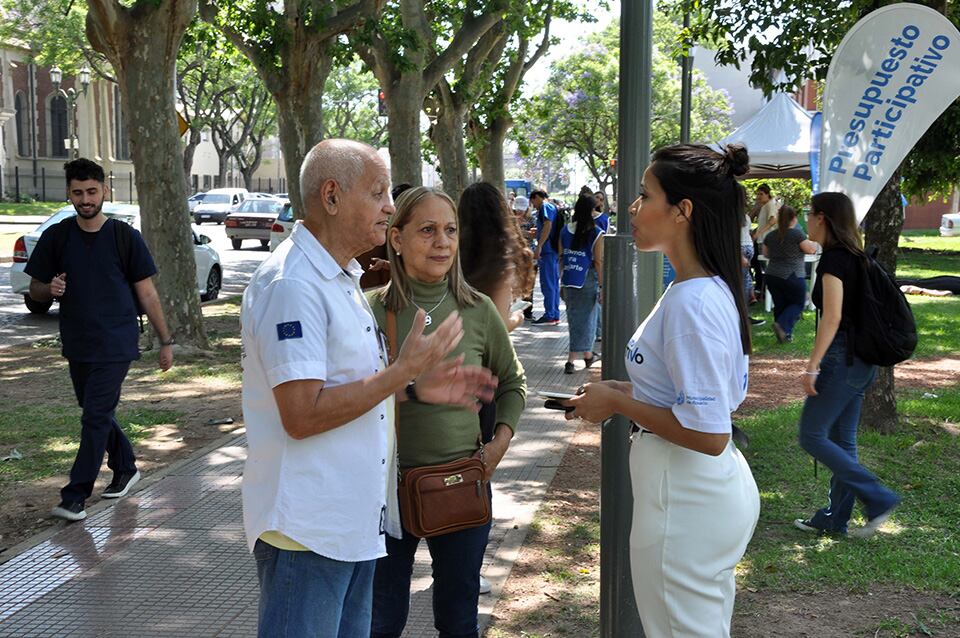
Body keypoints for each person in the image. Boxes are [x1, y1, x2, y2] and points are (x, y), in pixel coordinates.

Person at [240, 140, 496, 638]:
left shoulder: (339, 280)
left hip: (352, 526)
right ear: (331, 196)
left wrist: (419, 383)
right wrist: (403, 373)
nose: (388, 206)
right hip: (308, 533)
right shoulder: (294, 285)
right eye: (378, 192)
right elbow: (303, 414)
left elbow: (361, 390)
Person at [563, 143, 760, 636]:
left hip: (686, 499)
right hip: (690, 495)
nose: (632, 207)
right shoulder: (699, 287)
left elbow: (709, 433)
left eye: (644, 195)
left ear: (682, 211)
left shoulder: (693, 301)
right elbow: (686, 390)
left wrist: (619, 403)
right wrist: (622, 389)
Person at [367, 186, 526, 638]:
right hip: (386, 491)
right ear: (396, 239)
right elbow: (350, 398)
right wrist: (415, 390)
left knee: (458, 621)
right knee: (381, 622)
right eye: (428, 230)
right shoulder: (372, 311)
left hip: (461, 485)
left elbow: (513, 382)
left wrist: (499, 444)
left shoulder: (477, 309)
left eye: (450, 230)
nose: (442, 242)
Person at [25, 158, 174, 523]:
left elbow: (148, 294)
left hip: (117, 341)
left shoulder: (125, 237)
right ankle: (125, 466)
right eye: (78, 192)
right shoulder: (56, 237)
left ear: (104, 190)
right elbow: (35, 292)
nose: (85, 199)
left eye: (92, 191)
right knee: (96, 412)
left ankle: (75, 496)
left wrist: (165, 340)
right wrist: (50, 287)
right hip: (77, 342)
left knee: (94, 417)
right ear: (69, 194)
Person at [793, 191, 900, 538]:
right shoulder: (855, 256)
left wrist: (813, 365)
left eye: (810, 213)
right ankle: (834, 519)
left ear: (822, 217)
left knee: (811, 435)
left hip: (842, 358)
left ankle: (877, 497)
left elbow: (833, 317)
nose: (806, 220)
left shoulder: (835, 260)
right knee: (842, 441)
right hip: (862, 361)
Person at [458, 181, 534, 333]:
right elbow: (500, 327)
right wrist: (517, 317)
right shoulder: (500, 262)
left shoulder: (450, 254)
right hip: (484, 352)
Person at [762, 204, 819, 342]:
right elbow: (810, 250)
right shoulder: (796, 234)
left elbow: (766, 254)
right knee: (799, 302)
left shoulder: (770, 235)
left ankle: (784, 335)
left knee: (780, 304)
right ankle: (782, 325)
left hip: (772, 275)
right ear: (794, 218)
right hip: (792, 274)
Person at [560, 194, 603, 374]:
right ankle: (575, 358)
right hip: (588, 278)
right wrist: (603, 286)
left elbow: (561, 256)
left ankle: (584, 356)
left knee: (575, 319)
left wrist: (561, 282)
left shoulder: (565, 230)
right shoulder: (596, 232)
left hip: (570, 279)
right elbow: (599, 261)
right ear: (590, 210)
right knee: (588, 319)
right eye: (595, 209)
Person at [530, 189, 561, 325]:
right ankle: (554, 313)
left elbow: (548, 224)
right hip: (552, 250)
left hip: (548, 250)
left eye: (533, 202)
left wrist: (539, 245)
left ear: (537, 197)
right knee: (553, 283)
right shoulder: (552, 206)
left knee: (547, 283)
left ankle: (549, 314)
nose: (533, 205)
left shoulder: (545, 207)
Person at [750, 183, 778, 297]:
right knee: (761, 266)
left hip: (766, 240)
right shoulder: (764, 206)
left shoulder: (770, 205)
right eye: (757, 194)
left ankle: (768, 293)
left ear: (768, 194)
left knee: (767, 266)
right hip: (762, 239)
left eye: (761, 194)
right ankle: (764, 291)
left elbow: (772, 221)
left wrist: (758, 233)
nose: (758, 196)